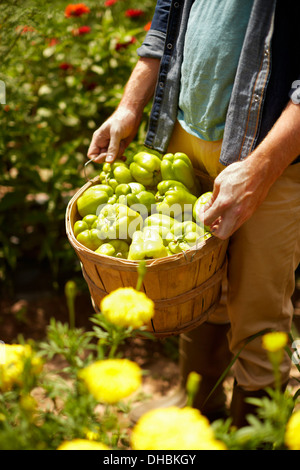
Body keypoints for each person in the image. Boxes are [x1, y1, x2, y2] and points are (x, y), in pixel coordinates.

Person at [87, 0, 300, 427]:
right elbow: (169, 15)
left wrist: (262, 168)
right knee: (195, 285)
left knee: (259, 316)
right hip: (183, 131)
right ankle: (198, 418)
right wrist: (130, 105)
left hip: (269, 150)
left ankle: (250, 436)